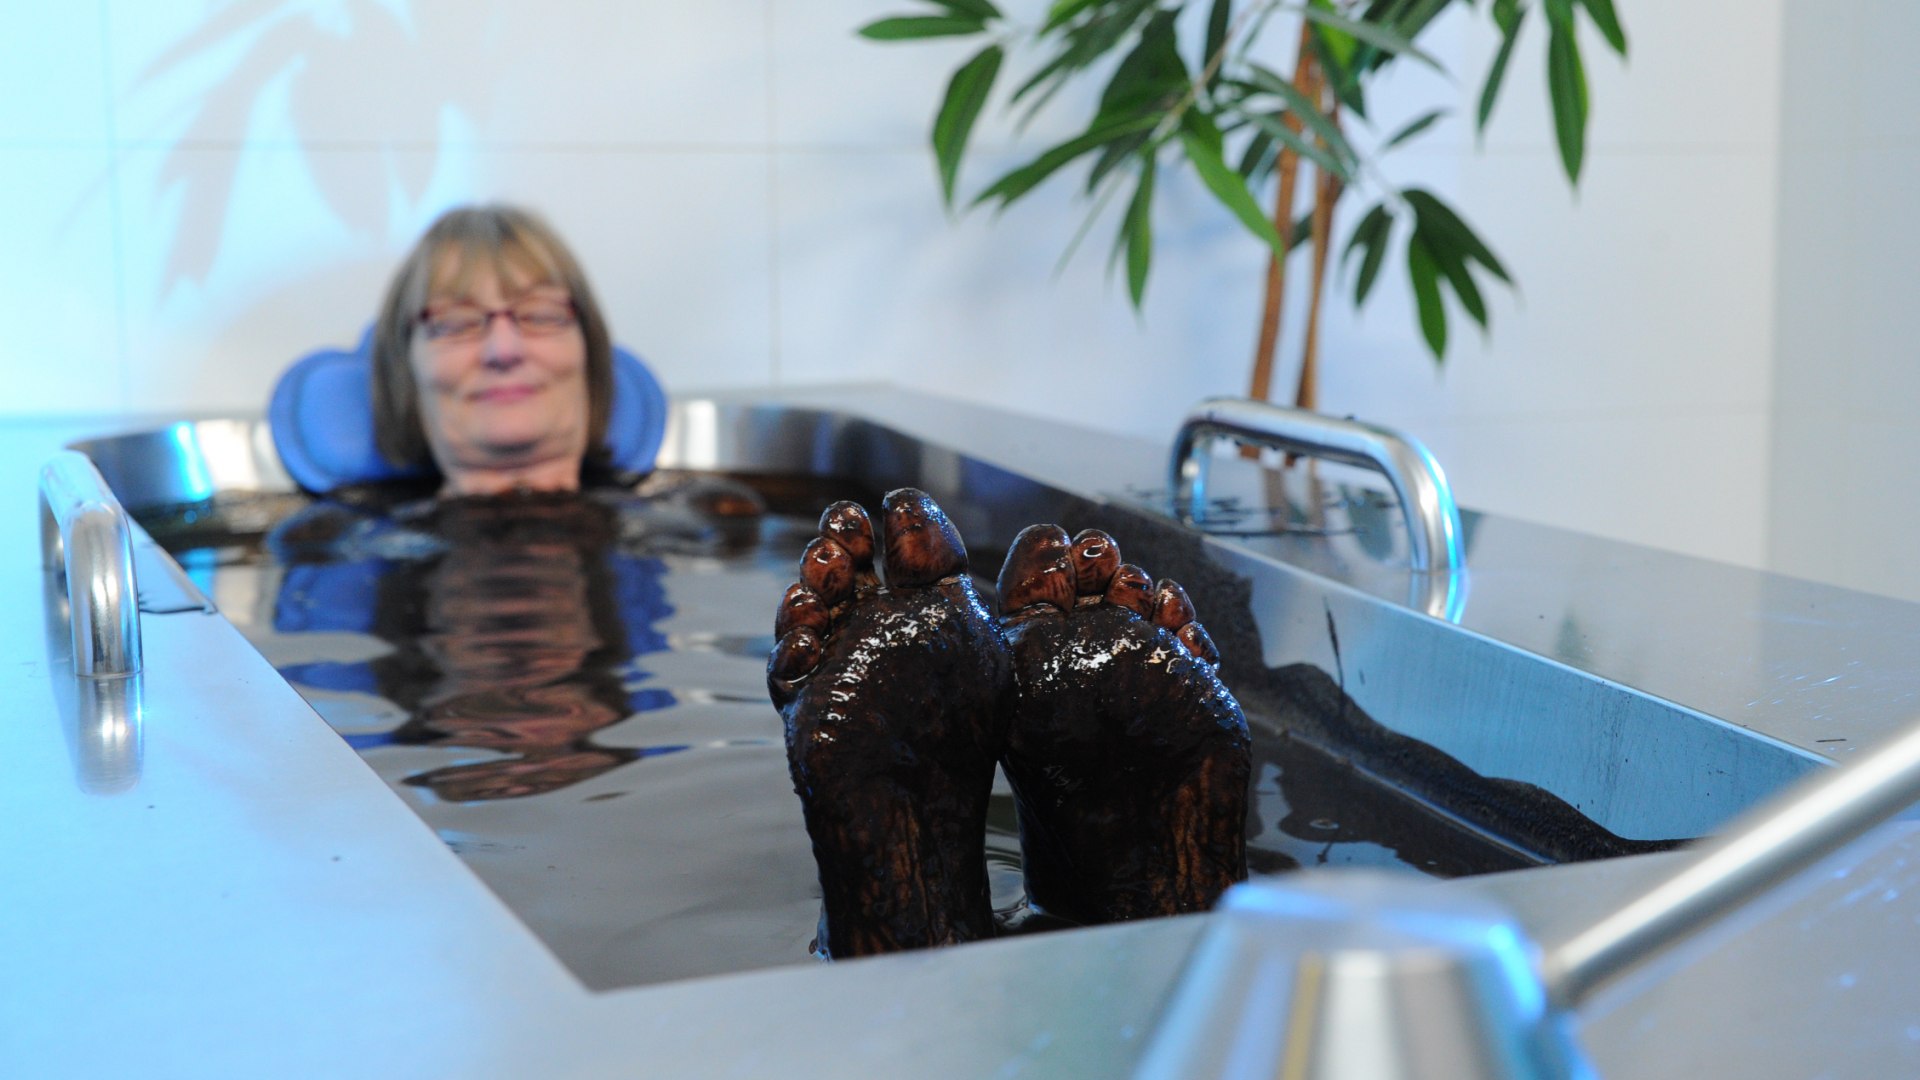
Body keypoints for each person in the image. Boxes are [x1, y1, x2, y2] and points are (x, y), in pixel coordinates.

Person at [368, 203, 619, 497]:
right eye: (456, 323)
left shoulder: (681, 513)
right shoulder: (339, 536)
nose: (503, 350)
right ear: (403, 372)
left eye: (539, 314)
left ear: (590, 353)